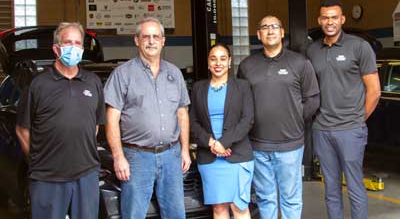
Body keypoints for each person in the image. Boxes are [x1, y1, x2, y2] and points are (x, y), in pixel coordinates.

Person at [15, 22, 106, 219]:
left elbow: (95, 126)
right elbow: (22, 130)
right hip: (48, 178)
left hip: (86, 175)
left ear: (82, 48)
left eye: (78, 43)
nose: (73, 47)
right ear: (56, 48)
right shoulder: (37, 85)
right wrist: (38, 162)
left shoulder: (93, 82)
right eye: (68, 42)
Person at [104, 17, 191, 219]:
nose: (151, 41)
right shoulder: (122, 74)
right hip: (136, 157)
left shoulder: (175, 73)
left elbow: (182, 114)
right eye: (146, 37)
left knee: (176, 214)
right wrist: (118, 157)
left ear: (163, 41)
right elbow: (112, 119)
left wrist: (185, 150)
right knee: (134, 214)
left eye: (155, 36)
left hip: (171, 155)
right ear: (137, 40)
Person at [238, 15, 320, 219]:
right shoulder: (247, 65)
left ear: (282, 32)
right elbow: (241, 101)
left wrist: (294, 118)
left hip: (290, 145)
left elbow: (312, 99)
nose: (270, 30)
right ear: (259, 34)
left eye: (275, 26)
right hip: (258, 146)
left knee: (290, 198)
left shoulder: (299, 63)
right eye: (265, 27)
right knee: (265, 198)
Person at [306, 0, 381, 219]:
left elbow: (374, 90)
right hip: (322, 130)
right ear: (320, 20)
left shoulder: (359, 46)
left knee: (355, 187)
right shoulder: (312, 50)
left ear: (342, 19)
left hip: (350, 130)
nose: (330, 22)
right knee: (330, 189)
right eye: (325, 18)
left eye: (334, 17)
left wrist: (357, 119)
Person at [190, 44, 254, 219]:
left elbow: (247, 120)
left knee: (239, 207)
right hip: (210, 157)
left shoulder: (242, 86)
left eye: (223, 58)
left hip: (237, 155)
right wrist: (212, 143)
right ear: (208, 64)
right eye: (213, 59)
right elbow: (193, 122)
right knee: (218, 208)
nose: (218, 63)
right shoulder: (198, 88)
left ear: (230, 62)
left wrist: (223, 143)